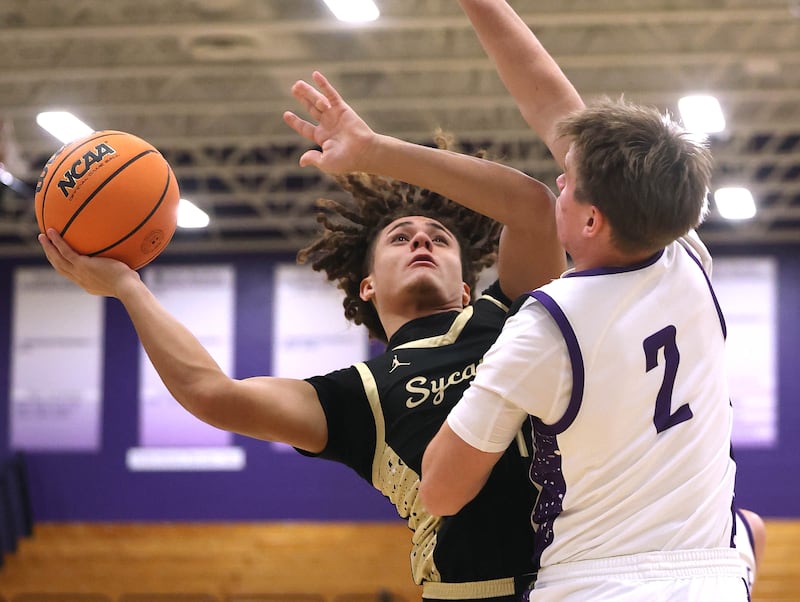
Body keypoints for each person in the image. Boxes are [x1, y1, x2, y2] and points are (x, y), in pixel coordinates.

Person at [38, 69, 571, 600]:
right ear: (367, 285)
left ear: (465, 286)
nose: (421, 241)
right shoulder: (359, 396)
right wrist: (128, 288)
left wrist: (375, 151)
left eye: (439, 238)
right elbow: (212, 393)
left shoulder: (512, 314)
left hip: (579, 579)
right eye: (400, 237)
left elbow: (533, 208)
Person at [419, 2, 754, 599]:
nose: (558, 181)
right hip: (713, 579)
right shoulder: (686, 255)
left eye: (567, 183)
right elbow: (554, 106)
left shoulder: (547, 325)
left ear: (592, 220)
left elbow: (441, 491)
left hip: (592, 584)